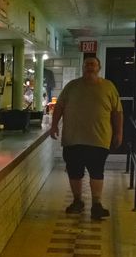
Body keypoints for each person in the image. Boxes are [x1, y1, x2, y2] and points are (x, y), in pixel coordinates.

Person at [49, 56, 123, 219]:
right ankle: (77, 201)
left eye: (93, 64)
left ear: (99, 67)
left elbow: (117, 112)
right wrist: (54, 125)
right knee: (75, 173)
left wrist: (119, 132)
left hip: (99, 139)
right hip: (73, 138)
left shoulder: (108, 87)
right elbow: (59, 106)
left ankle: (96, 204)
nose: (90, 66)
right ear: (83, 67)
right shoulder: (72, 86)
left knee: (97, 172)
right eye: (87, 64)